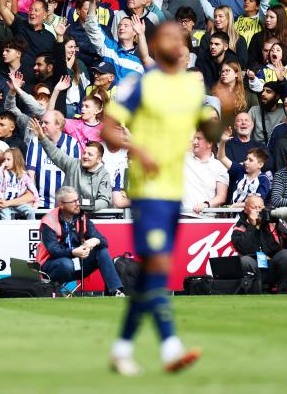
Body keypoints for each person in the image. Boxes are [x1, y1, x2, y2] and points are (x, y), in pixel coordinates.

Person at [103, 22, 226, 375]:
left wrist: (226, 109)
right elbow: (108, 130)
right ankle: (170, 347)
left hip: (176, 195)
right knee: (157, 267)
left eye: (181, 39)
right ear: (155, 46)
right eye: (169, 37)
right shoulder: (141, 84)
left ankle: (122, 348)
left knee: (150, 276)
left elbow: (211, 132)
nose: (177, 44)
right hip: (147, 192)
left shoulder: (190, 90)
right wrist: (137, 148)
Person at [36, 185, 125, 295]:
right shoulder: (48, 221)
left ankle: (115, 291)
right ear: (61, 205)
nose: (78, 204)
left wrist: (95, 241)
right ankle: (53, 289)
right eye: (73, 202)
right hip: (51, 267)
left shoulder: (81, 217)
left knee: (101, 252)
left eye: (78, 200)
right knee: (66, 264)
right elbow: (54, 250)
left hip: (75, 264)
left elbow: (103, 241)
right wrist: (73, 252)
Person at [31, 119, 112, 210]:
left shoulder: (104, 174)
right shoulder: (73, 164)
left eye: (90, 154)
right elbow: (55, 153)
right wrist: (42, 138)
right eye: (84, 153)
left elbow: (104, 201)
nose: (85, 156)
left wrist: (81, 204)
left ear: (99, 159)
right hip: (66, 215)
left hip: (90, 217)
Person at [230, 195, 287, 293]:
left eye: (260, 208)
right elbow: (244, 248)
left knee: (286, 254)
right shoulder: (240, 226)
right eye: (254, 208)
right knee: (244, 260)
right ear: (245, 210)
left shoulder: (272, 222)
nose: (258, 211)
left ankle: (284, 291)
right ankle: (255, 289)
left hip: (271, 265)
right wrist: (252, 226)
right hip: (255, 267)